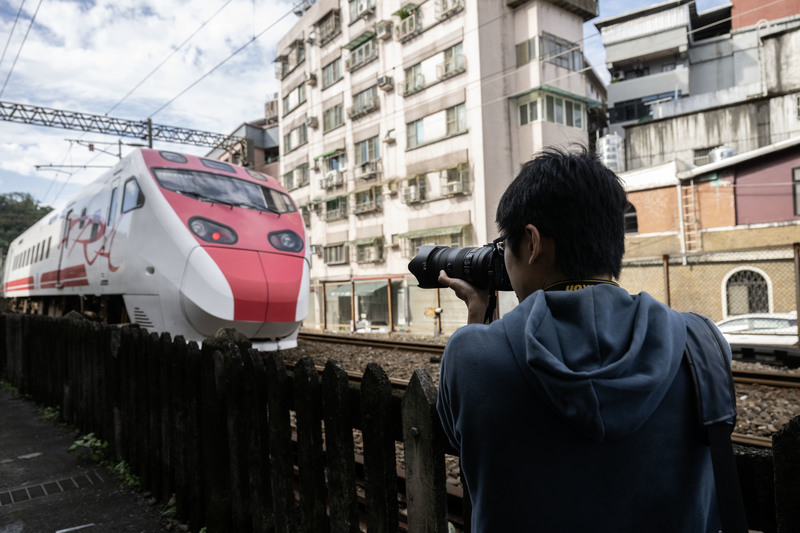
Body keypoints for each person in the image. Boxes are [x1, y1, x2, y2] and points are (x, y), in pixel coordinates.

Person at [436, 146, 737, 532]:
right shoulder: (703, 343)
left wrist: (477, 318)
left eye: (503, 247)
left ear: (532, 243)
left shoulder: (469, 353)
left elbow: (458, 433)